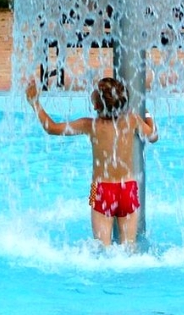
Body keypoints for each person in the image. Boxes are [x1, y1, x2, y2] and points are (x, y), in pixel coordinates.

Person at [25, 77, 158, 248]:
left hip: (100, 188)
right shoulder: (131, 120)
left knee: (102, 249)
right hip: (128, 188)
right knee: (129, 248)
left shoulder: (90, 125)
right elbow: (153, 136)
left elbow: (51, 128)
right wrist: (146, 113)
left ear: (96, 105)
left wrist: (34, 102)